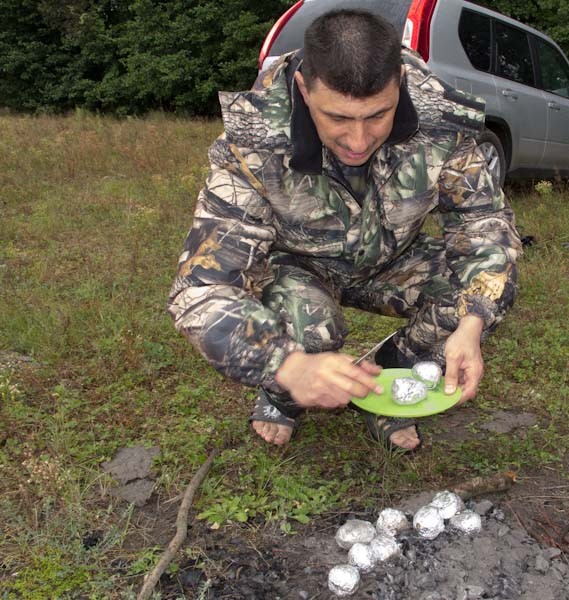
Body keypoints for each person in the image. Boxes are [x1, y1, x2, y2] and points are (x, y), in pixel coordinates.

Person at [168, 9, 521, 452]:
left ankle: (388, 378)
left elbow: (483, 224)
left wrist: (471, 325)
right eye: (337, 118)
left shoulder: (442, 120)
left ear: (400, 85)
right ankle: (283, 396)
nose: (358, 140)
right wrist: (287, 365)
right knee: (312, 330)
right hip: (296, 266)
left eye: (378, 115)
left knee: (476, 294)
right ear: (304, 88)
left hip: (391, 257)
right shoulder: (253, 138)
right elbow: (200, 289)